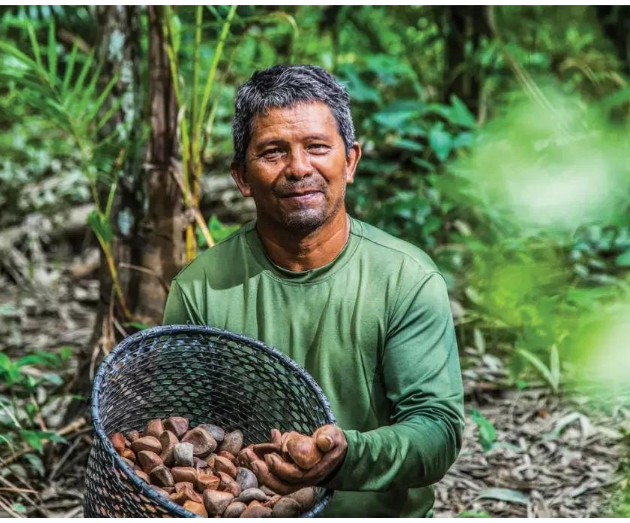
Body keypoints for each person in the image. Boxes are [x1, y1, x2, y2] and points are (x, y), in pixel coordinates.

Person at [163, 64, 464, 518]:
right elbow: (177, 439)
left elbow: (437, 432)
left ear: (351, 161)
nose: (299, 168)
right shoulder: (201, 289)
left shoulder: (405, 279)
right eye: (272, 152)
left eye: (318, 147)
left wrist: (344, 458)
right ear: (242, 177)